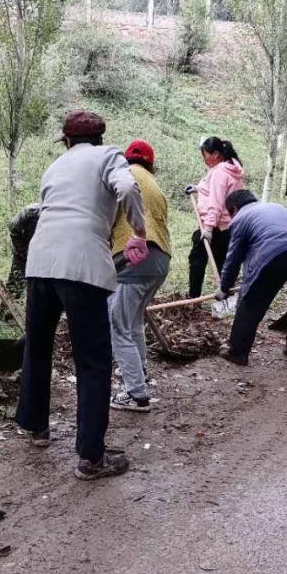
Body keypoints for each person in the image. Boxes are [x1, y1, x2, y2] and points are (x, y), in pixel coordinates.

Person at [16, 111, 148, 481]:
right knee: (93, 361)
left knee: (37, 348)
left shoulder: (55, 167)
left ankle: (34, 426)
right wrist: (137, 230)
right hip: (82, 266)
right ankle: (91, 456)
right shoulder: (109, 156)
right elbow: (126, 188)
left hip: (40, 262)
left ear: (66, 141)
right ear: (101, 137)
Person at [216, 189, 287, 366]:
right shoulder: (277, 207)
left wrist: (224, 287)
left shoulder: (241, 217)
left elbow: (233, 257)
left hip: (277, 254)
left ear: (234, 209)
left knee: (251, 302)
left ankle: (237, 352)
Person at [107, 140, 172, 413]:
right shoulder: (155, 186)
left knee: (117, 325)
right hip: (161, 260)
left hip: (132, 256)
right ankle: (140, 376)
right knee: (133, 323)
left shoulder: (122, 177)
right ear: (151, 163)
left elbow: (108, 218)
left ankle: (136, 393)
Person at [185, 138, 245, 298]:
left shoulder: (219, 172)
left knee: (197, 260)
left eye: (205, 155)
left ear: (216, 154)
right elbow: (215, 193)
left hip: (215, 226)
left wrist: (209, 228)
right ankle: (226, 296)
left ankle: (194, 298)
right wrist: (197, 189)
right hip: (228, 226)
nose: (203, 159)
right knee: (224, 264)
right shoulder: (231, 169)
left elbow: (217, 202)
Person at [6, 203, 41, 297]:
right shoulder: (31, 211)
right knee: (14, 289)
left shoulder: (62, 214)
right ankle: (8, 311)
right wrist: (22, 250)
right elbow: (13, 228)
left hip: (47, 260)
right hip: (23, 256)